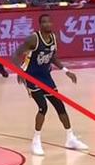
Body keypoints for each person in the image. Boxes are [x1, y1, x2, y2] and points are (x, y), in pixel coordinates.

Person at [13, 14, 88, 156]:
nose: (47, 24)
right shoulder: (33, 39)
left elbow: (52, 57)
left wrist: (66, 70)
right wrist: (19, 71)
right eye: (44, 22)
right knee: (43, 107)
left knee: (60, 105)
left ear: (52, 23)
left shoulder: (54, 38)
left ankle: (70, 138)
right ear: (40, 25)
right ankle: (36, 141)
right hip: (31, 76)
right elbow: (16, 54)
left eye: (49, 22)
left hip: (46, 76)